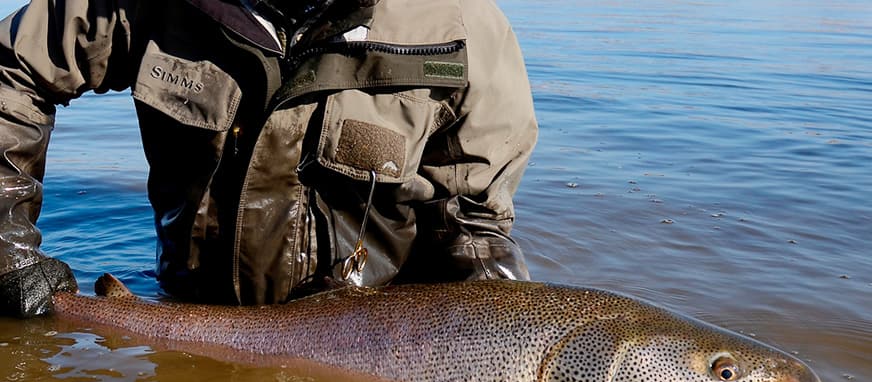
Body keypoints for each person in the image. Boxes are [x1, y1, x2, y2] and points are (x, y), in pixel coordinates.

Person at [0, 0, 537, 317]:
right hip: (186, 312)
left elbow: (472, 221)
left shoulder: (463, 31)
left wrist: (493, 342)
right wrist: (6, 248)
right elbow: (14, 66)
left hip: (371, 340)